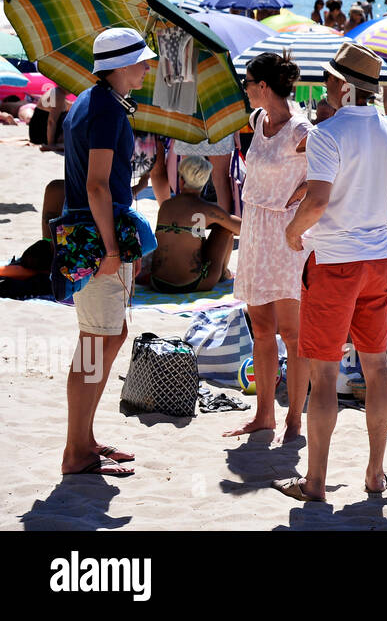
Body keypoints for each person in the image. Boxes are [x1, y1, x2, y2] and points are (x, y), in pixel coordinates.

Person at [277, 43, 387, 502]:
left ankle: (316, 483)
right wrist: (373, 219)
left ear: (341, 86)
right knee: (377, 367)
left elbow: (318, 202)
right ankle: (376, 474)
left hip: (335, 263)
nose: (323, 90)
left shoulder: (328, 133)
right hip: (377, 261)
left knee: (324, 375)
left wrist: (293, 233)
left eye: (326, 82)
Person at [56, 28, 158, 477]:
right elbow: (96, 184)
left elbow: (99, 180)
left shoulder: (91, 101)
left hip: (88, 230)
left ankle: (85, 440)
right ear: (118, 65)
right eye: (140, 61)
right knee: (96, 344)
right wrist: (113, 248)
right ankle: (76, 450)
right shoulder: (105, 109)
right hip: (97, 236)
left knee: (107, 337)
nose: (146, 67)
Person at [225, 53, 312, 441]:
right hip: (255, 228)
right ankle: (264, 414)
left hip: (286, 230)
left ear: (263, 86)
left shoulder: (301, 129)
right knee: (260, 329)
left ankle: (294, 419)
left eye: (248, 82)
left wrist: (302, 191)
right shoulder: (257, 121)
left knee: (293, 335)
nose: (245, 89)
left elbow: (332, 172)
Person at [149, 157, 240, 293]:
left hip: (157, 282)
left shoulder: (166, 205)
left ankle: (222, 272)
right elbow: (242, 229)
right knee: (224, 228)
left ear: (181, 180)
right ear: (203, 183)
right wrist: (220, 220)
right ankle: (223, 273)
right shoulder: (207, 209)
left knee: (193, 235)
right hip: (191, 284)